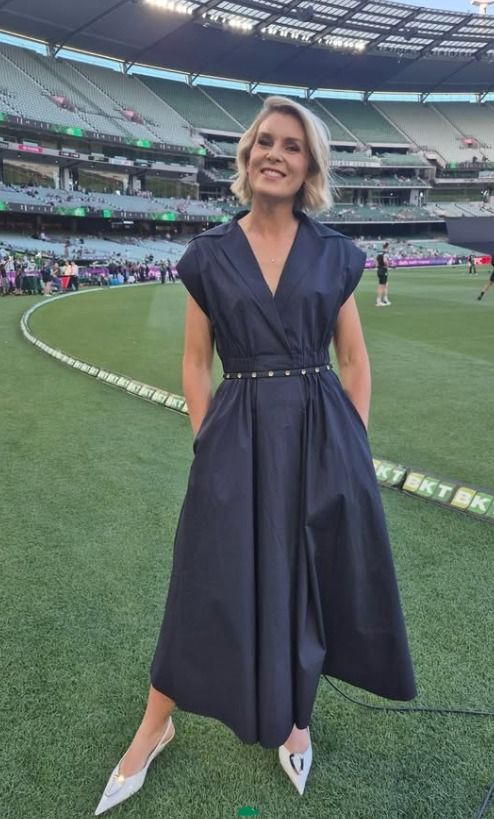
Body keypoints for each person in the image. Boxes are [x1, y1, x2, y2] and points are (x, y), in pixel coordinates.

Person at [94, 96, 416, 815]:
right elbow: (194, 361)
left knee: (306, 577)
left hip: (320, 433)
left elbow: (354, 359)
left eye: (292, 146)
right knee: (202, 578)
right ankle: (154, 724)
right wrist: (207, 442)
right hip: (235, 434)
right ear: (247, 155)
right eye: (265, 141)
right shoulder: (209, 254)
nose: (275, 153)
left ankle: (297, 719)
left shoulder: (332, 252)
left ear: (310, 166)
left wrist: (350, 445)